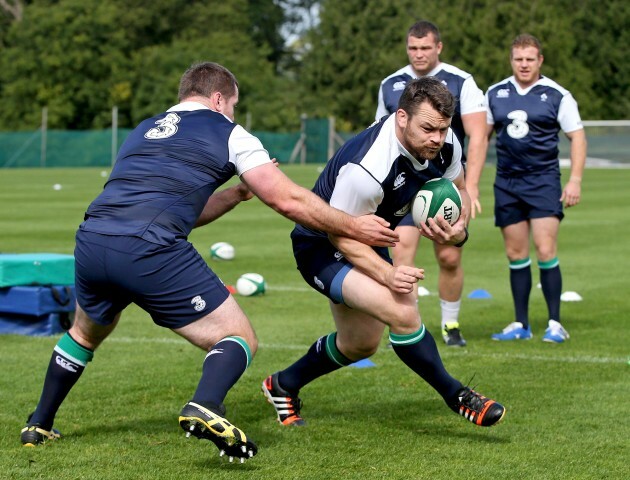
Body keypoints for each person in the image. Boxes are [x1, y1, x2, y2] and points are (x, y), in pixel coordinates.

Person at [19, 62, 400, 462]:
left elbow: (178, 209)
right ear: (219, 99)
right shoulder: (230, 133)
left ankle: (39, 422)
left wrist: (235, 195)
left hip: (94, 241)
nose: (234, 113)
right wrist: (353, 225)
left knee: (85, 333)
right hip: (149, 249)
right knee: (238, 338)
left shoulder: (144, 129)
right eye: (233, 105)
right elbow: (287, 199)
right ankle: (207, 404)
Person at [261, 77, 506, 430]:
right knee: (402, 311)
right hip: (322, 243)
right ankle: (458, 396)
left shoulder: (444, 142)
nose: (437, 139)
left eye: (443, 129)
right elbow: (339, 232)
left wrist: (458, 230)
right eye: (428, 129)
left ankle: (282, 385)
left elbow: (461, 188)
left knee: (360, 344)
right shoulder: (369, 168)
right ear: (402, 117)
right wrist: (388, 274)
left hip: (368, 238)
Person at [376, 20, 488, 347]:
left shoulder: (461, 81)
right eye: (413, 48)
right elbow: (378, 133)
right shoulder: (390, 84)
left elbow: (479, 135)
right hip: (402, 183)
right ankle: (406, 324)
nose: (419, 54)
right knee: (402, 254)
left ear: (438, 47)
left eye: (425, 48)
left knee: (450, 255)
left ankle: (450, 324)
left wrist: (473, 186)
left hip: (444, 182)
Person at [476, 34, 587, 342]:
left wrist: (575, 179)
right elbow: (480, 138)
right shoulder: (495, 93)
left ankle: (554, 323)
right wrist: (470, 182)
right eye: (518, 59)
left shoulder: (557, 95)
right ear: (511, 61)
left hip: (543, 180)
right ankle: (521, 324)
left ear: (540, 61)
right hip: (507, 183)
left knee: (546, 248)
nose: (523, 64)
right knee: (515, 253)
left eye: (529, 59)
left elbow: (577, 136)